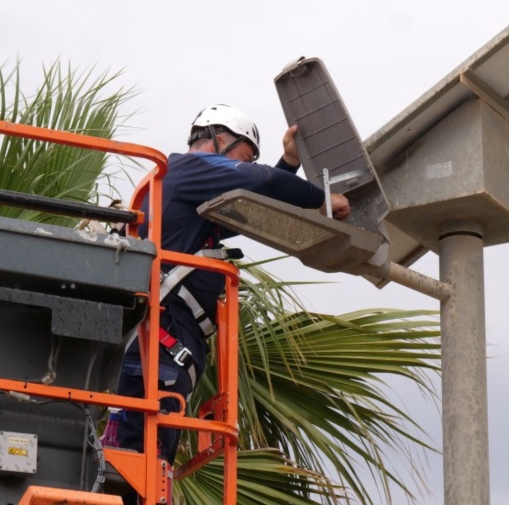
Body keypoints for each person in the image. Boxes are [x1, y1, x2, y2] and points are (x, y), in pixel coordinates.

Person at [101, 104, 351, 485]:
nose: (246, 167)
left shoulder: (189, 198)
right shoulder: (187, 167)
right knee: (139, 471)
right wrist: (322, 199)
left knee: (143, 468)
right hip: (162, 341)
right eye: (243, 158)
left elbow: (255, 205)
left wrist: (288, 163)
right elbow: (261, 181)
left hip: (162, 341)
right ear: (218, 140)